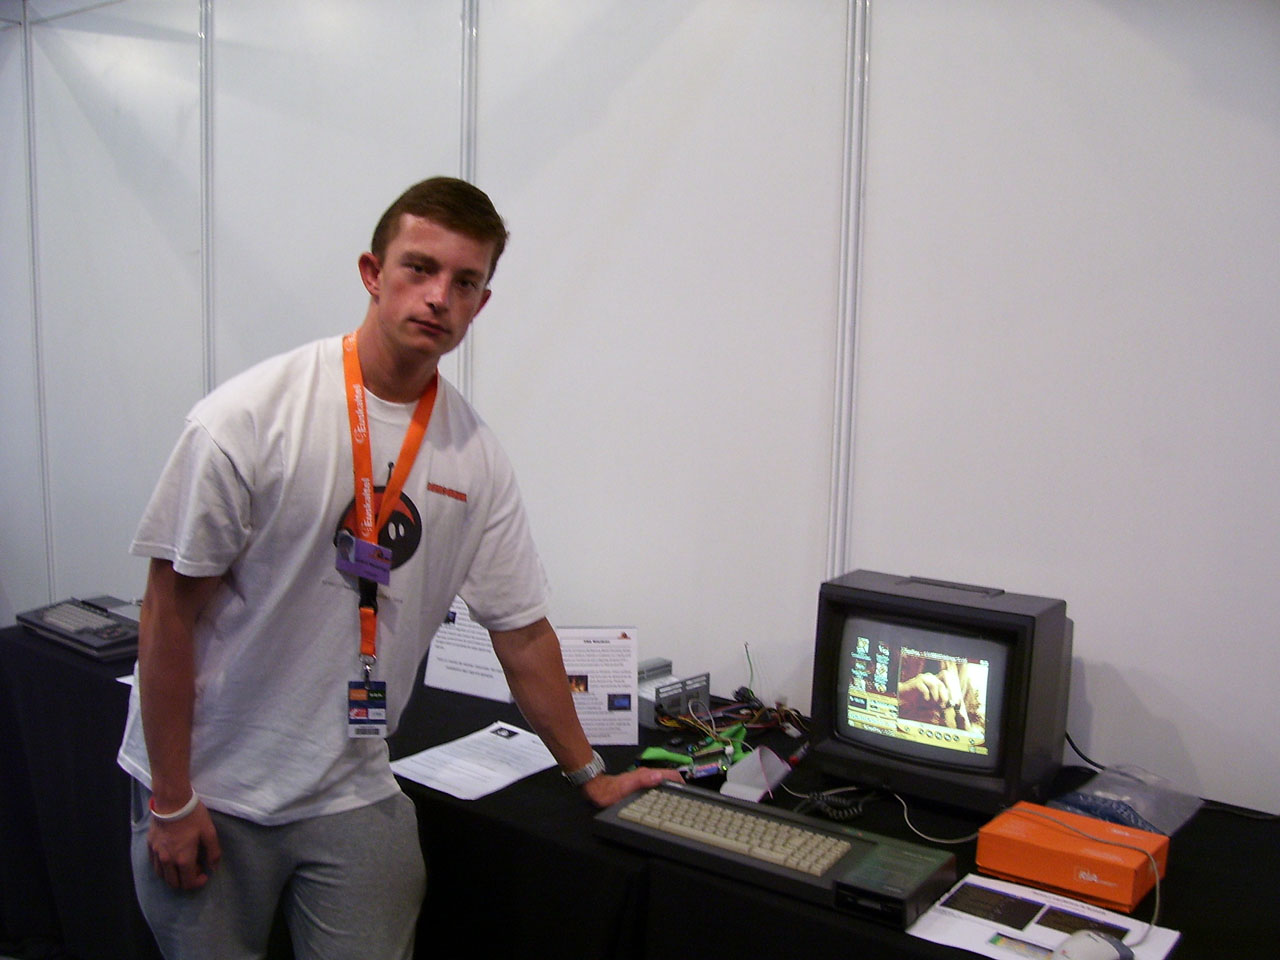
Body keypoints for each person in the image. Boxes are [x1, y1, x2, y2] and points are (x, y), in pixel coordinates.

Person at [117, 177, 674, 959]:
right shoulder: (249, 419)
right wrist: (173, 800)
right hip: (214, 783)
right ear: (372, 273)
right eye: (419, 268)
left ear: (481, 304)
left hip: (350, 786)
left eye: (465, 282)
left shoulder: (474, 457)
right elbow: (167, 615)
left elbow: (521, 633)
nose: (439, 296)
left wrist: (592, 775)